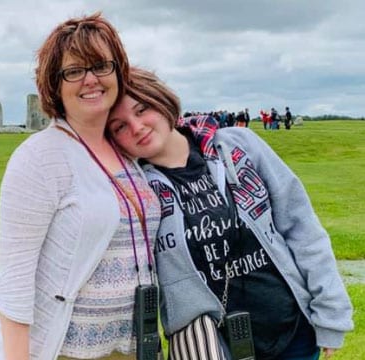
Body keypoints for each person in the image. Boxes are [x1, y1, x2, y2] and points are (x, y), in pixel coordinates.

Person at [106, 67, 353, 360]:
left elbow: (301, 227)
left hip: (291, 332)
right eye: (119, 126)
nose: (136, 127)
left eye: (141, 109)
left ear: (161, 100)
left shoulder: (238, 146)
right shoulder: (135, 190)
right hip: (210, 346)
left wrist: (331, 311)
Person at [0, 13, 162, 360]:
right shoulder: (40, 158)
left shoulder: (128, 151)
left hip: (131, 348)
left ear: (118, 72)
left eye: (100, 66)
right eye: (74, 71)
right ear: (54, 84)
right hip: (61, 350)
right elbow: (14, 285)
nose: (90, 80)